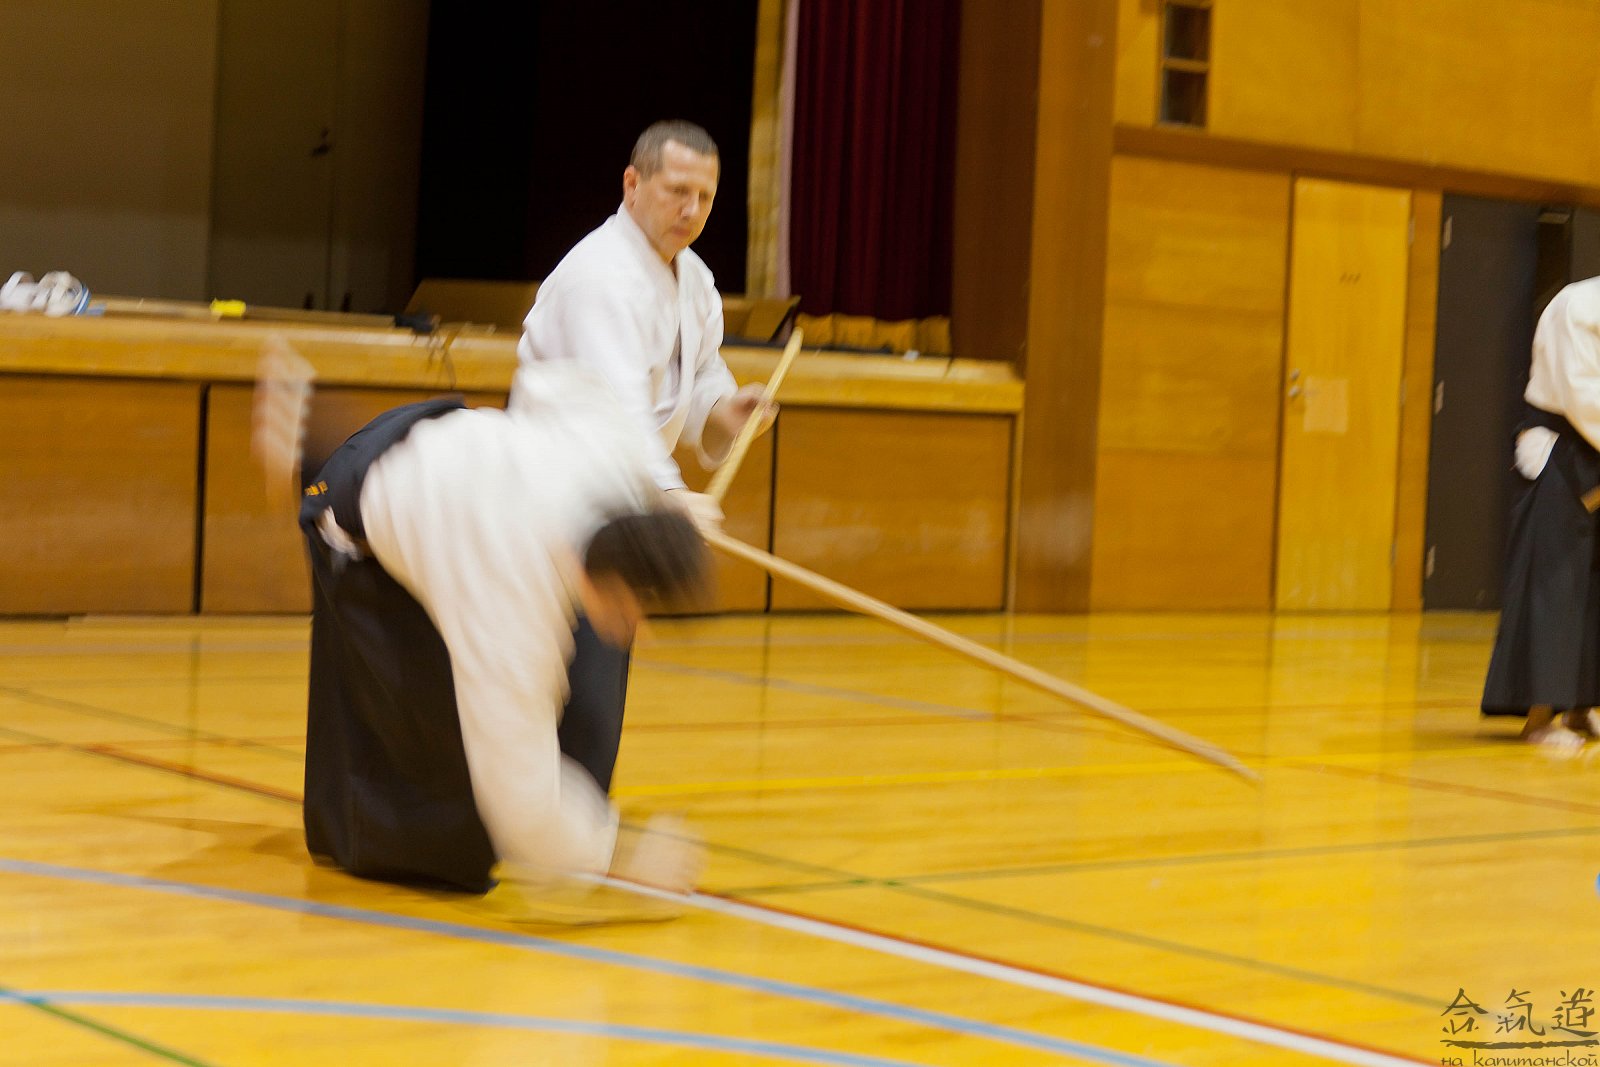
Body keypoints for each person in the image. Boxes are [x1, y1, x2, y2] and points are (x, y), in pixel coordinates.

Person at [298, 360, 714, 905]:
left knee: (586, 695)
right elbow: (519, 798)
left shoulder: (617, 461)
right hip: (363, 512)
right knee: (449, 799)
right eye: (637, 614)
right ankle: (309, 453)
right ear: (613, 584)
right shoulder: (509, 601)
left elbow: (562, 383)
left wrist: (672, 498)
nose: (640, 632)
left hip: (458, 458)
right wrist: (620, 858)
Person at [513, 119, 777, 799]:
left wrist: (726, 408)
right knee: (556, 682)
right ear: (633, 184)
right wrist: (670, 495)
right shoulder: (599, 276)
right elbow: (617, 406)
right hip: (551, 506)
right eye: (676, 190)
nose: (691, 209)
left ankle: (568, 821)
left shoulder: (694, 280)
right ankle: (540, 821)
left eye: (705, 197)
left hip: (615, 507)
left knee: (596, 691)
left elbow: (697, 376)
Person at [1481, 275, 1600, 751]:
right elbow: (1582, 396)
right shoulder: (1579, 305)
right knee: (1555, 582)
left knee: (1594, 585)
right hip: (1561, 453)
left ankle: (1582, 705)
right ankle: (1537, 717)